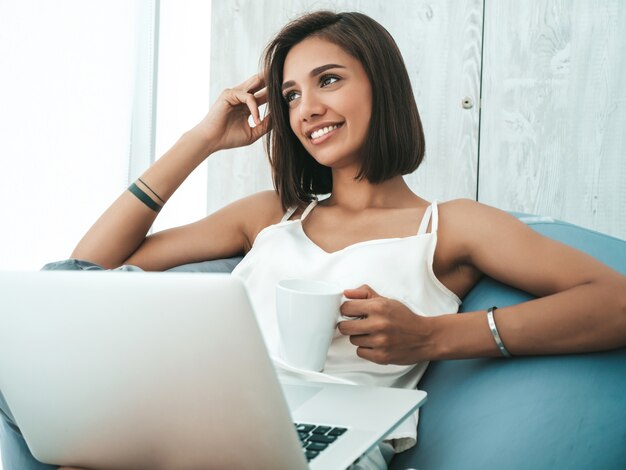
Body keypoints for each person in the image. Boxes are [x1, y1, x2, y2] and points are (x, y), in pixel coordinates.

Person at [2, 10, 625, 470]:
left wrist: (434, 336)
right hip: (203, 423)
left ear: (381, 84)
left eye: (328, 80)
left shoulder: (451, 225)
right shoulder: (272, 214)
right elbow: (82, 272)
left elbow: (615, 302)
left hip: (327, 445)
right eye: (292, 94)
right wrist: (200, 140)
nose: (306, 109)